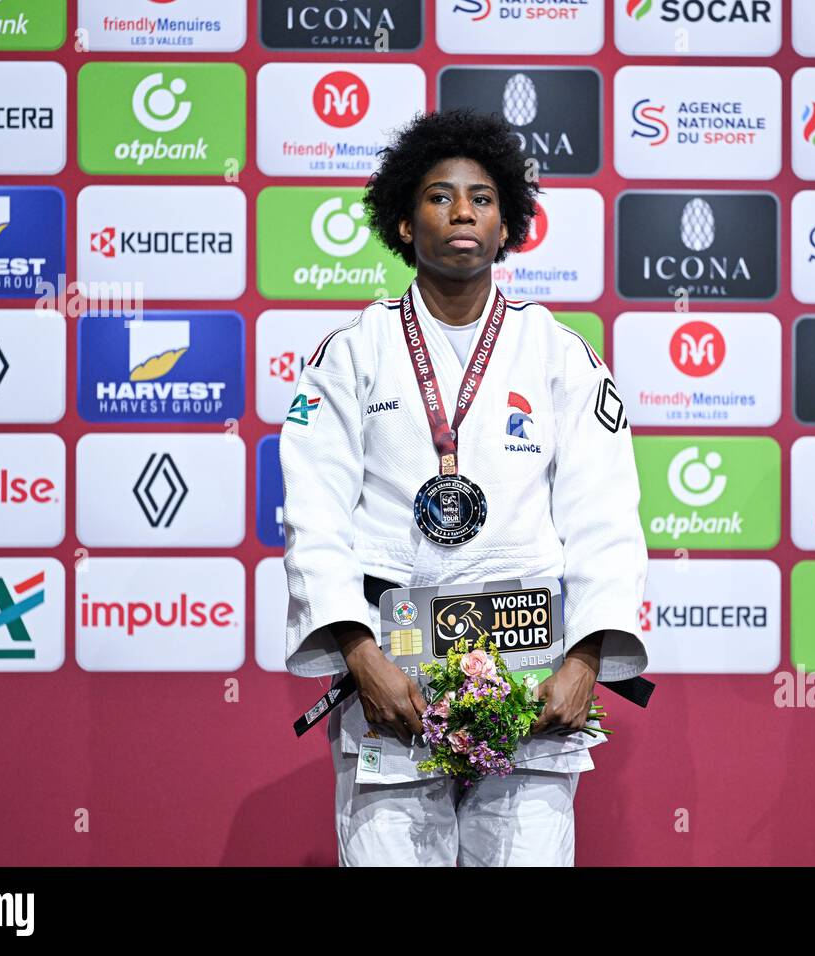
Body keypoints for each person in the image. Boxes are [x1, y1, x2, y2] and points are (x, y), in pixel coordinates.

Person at [279, 108, 649, 867]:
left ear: (507, 224)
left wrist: (583, 660)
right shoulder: (351, 354)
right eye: (440, 197)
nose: (462, 214)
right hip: (393, 674)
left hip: (531, 675)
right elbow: (314, 519)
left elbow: (607, 517)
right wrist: (358, 652)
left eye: (481, 199)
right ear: (405, 224)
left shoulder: (561, 355)